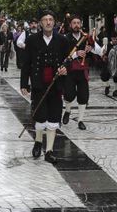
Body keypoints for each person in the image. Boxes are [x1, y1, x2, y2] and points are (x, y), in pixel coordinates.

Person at [21, 10, 69, 164]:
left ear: (54, 22)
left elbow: (68, 61)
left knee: (54, 116)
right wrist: (24, 84)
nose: (48, 22)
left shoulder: (62, 40)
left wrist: (65, 68)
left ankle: (49, 151)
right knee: (40, 116)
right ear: (40, 23)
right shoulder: (32, 40)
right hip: (38, 84)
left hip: (56, 84)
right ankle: (38, 141)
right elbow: (26, 63)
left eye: (51, 19)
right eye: (45, 20)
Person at [62, 15, 102, 130]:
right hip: (70, 70)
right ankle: (68, 110)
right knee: (69, 94)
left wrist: (91, 49)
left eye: (78, 23)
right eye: (74, 23)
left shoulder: (87, 38)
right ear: (70, 25)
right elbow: (63, 56)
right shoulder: (65, 38)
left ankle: (80, 120)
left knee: (83, 95)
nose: (76, 25)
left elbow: (100, 51)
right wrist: (76, 54)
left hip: (83, 71)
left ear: (81, 24)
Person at [103, 32, 117, 97]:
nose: (115, 40)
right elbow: (102, 54)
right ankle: (107, 86)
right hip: (108, 63)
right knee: (104, 76)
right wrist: (103, 55)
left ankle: (115, 90)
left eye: (116, 39)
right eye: (114, 39)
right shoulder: (107, 45)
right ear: (111, 39)